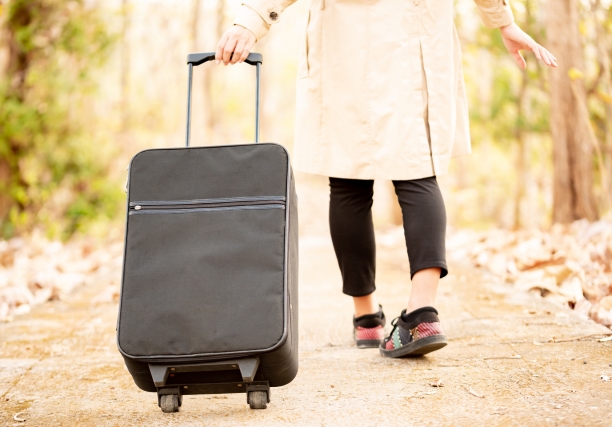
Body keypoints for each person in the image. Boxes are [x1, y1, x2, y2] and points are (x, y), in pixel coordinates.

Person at [216, 0, 556, 357]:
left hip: (344, 40)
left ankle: (367, 320)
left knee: (348, 181)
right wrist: (502, 21)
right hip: (416, 31)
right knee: (417, 173)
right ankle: (422, 315)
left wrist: (251, 20)